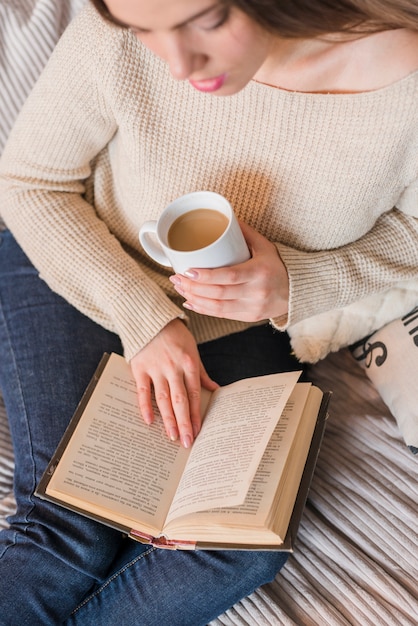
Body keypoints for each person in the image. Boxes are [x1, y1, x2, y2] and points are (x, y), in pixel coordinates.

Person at [0, 0, 417, 623]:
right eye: (143, 30)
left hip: (243, 325)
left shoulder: (405, 83)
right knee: (70, 526)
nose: (176, 63)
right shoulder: (115, 32)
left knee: (234, 545)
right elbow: (30, 184)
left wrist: (297, 282)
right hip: (83, 260)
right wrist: (147, 320)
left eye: (210, 19)